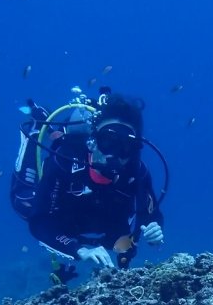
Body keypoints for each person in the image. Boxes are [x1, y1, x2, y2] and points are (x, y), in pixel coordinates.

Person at [10, 90, 165, 277]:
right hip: (63, 220)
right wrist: (78, 250)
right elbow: (39, 222)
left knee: (121, 241)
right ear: (92, 141)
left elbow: (152, 215)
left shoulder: (137, 173)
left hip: (108, 225)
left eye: (125, 146)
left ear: (134, 150)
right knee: (23, 202)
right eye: (108, 142)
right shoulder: (65, 160)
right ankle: (36, 132)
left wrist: (154, 230)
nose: (113, 154)